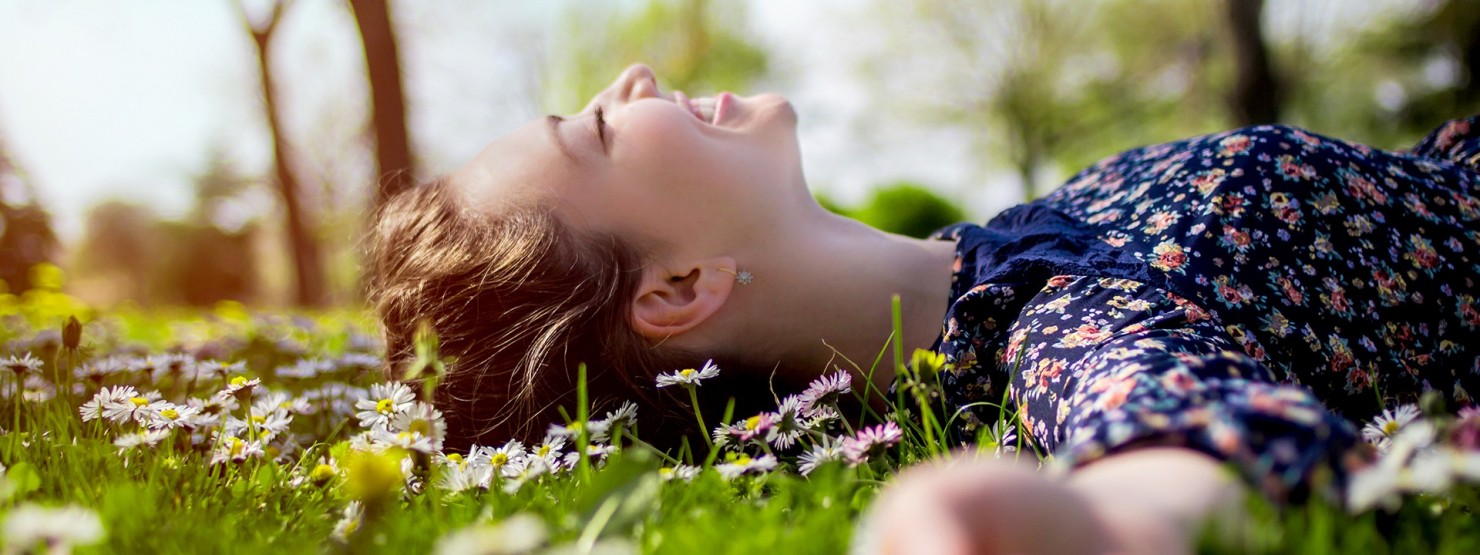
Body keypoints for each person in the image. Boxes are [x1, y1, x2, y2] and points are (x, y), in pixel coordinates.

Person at [367, 63, 1480, 553]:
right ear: (675, 290)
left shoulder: (1006, 246)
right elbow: (1190, 442)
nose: (638, 77)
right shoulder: (1060, 325)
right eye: (597, 133)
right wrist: (1089, 531)